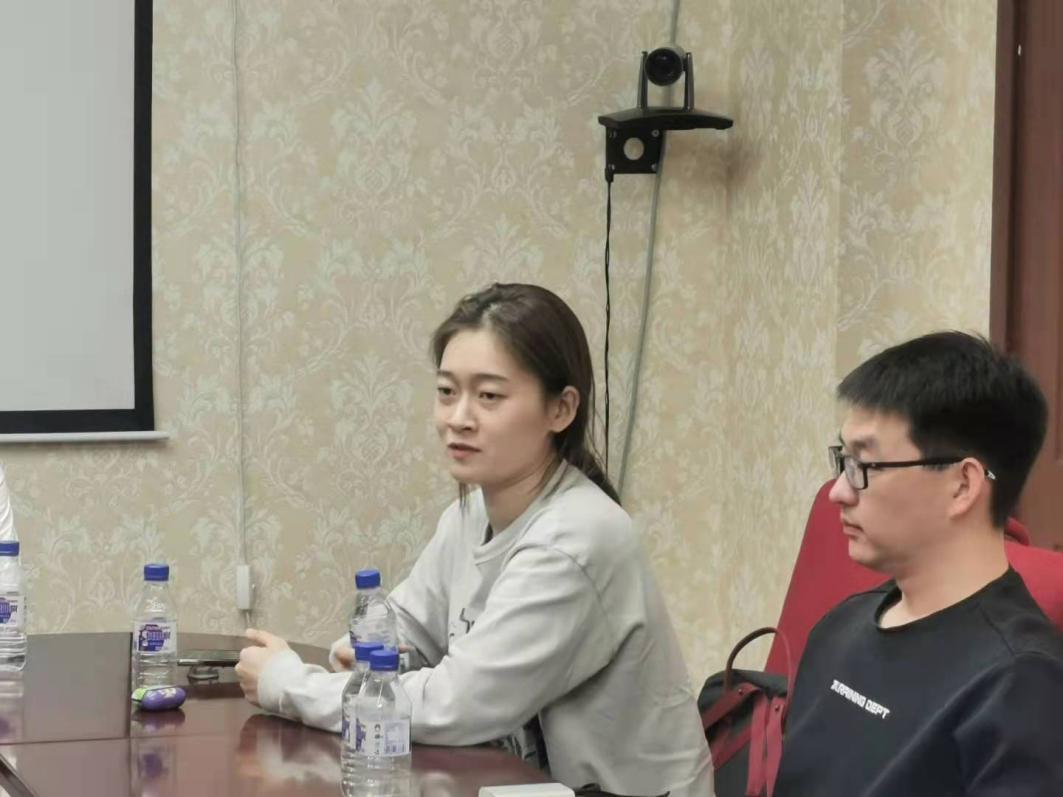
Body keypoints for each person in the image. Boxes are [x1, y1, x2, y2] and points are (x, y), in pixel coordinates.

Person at [236, 283, 712, 796]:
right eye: (447, 391)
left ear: (561, 409)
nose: (458, 418)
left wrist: (289, 684)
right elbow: (405, 627)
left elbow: (458, 704)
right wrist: (367, 653)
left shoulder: (575, 539)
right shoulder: (469, 514)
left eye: (489, 396)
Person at [775, 331, 1063, 796]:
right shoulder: (840, 627)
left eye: (864, 466)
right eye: (842, 460)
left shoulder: (1020, 684)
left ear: (962, 485)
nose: (838, 492)